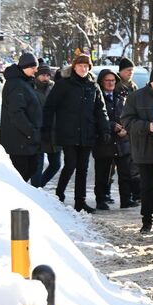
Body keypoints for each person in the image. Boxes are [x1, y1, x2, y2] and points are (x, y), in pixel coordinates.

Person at [43, 54, 110, 212]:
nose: (83, 68)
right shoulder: (64, 85)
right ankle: (59, 195)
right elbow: (49, 107)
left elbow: (101, 110)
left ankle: (80, 201)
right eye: (81, 65)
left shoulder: (93, 86)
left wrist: (105, 129)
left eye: (86, 66)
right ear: (74, 67)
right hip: (68, 132)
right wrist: (47, 129)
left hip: (87, 132)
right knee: (71, 164)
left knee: (83, 168)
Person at [122, 66, 153, 234]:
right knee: (148, 187)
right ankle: (147, 220)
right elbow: (126, 120)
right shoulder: (136, 97)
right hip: (145, 149)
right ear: (151, 81)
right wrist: (147, 126)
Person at [93, 69, 137, 210]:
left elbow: (128, 114)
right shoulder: (96, 95)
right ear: (101, 82)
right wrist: (112, 126)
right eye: (107, 80)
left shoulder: (122, 95)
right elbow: (96, 117)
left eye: (113, 80)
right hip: (104, 140)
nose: (111, 83)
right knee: (103, 173)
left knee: (125, 172)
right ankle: (101, 199)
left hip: (122, 139)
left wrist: (126, 128)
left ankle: (126, 199)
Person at [0, 53, 42, 181]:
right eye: (33, 67)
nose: (36, 70)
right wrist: (30, 131)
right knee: (22, 173)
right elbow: (16, 113)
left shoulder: (24, 81)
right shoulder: (17, 84)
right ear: (25, 67)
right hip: (19, 141)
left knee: (31, 169)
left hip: (24, 140)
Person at [32, 65, 62, 187]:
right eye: (43, 75)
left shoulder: (54, 87)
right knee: (37, 165)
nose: (45, 77)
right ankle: (35, 189)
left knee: (56, 164)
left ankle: (39, 187)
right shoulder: (31, 87)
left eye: (48, 75)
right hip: (38, 130)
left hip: (54, 131)